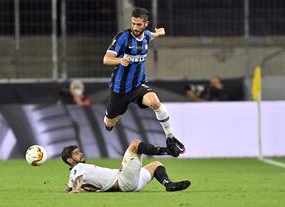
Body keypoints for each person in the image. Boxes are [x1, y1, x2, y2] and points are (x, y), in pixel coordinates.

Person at [102, 7, 185, 157]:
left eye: (139, 24)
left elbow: (150, 35)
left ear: (146, 23)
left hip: (138, 85)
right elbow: (106, 59)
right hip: (120, 89)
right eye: (133, 23)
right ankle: (117, 112)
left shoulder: (146, 35)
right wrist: (121, 60)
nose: (135, 27)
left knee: (155, 102)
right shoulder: (122, 37)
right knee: (109, 124)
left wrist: (159, 33)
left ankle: (170, 137)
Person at [62, 139, 191, 193]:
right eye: (76, 153)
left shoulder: (72, 174)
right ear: (70, 160)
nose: (81, 153)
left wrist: (70, 189)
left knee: (156, 165)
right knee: (135, 144)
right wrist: (75, 190)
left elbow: (70, 185)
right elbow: (78, 180)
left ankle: (168, 184)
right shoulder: (78, 168)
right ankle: (168, 151)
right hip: (123, 181)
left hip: (129, 182)